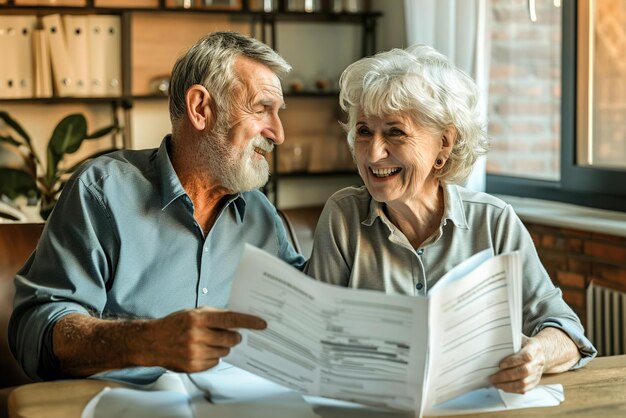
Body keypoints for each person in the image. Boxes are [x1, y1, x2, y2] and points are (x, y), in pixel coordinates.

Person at [9, 31, 305, 382]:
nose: (278, 133)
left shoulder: (258, 213)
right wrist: (147, 341)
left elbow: (306, 313)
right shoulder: (102, 192)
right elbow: (35, 332)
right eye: (262, 109)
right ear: (200, 109)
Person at [304, 44, 596, 394]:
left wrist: (536, 355)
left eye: (395, 132)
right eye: (364, 131)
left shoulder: (494, 222)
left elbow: (565, 331)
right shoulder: (343, 217)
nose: (373, 152)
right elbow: (311, 334)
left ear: (444, 143)